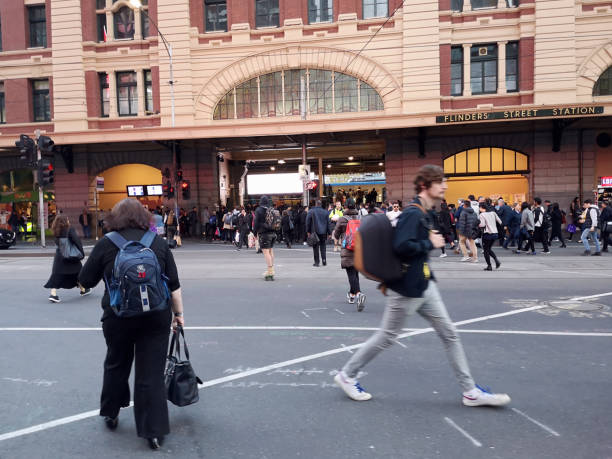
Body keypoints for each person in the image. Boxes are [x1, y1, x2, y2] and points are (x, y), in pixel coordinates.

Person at [333, 165, 510, 407]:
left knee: (449, 334)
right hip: (407, 289)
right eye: (441, 182)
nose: (445, 186)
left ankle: (470, 392)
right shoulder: (413, 214)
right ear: (426, 186)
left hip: (423, 285)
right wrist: (429, 242)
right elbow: (402, 247)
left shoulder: (423, 212)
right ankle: (347, 375)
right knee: (387, 336)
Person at [78, 199, 184, 450]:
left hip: (118, 317)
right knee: (151, 372)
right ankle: (153, 431)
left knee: (116, 362)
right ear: (144, 217)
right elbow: (174, 285)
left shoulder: (106, 243)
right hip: (156, 316)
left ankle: (111, 411)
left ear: (114, 218)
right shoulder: (156, 242)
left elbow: (85, 280)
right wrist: (178, 315)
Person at [44, 215, 90, 303]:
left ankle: (53, 294)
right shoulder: (69, 229)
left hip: (60, 256)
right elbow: (76, 241)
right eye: (67, 219)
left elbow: (58, 242)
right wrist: (81, 252)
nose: (68, 221)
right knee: (78, 272)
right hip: (71, 256)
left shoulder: (56, 230)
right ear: (65, 221)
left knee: (57, 275)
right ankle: (83, 289)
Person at [332, 198, 366, 310]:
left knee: (351, 273)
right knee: (355, 273)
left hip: (348, 249)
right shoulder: (360, 218)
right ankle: (351, 295)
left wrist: (336, 237)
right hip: (360, 249)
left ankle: (359, 294)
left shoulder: (342, 219)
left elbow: (336, 235)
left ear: (345, 207)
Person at [253, 196, 277, 280]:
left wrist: (255, 233)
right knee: (270, 251)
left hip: (264, 234)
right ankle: (271, 269)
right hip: (273, 233)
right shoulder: (271, 209)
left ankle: (270, 271)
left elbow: (256, 222)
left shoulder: (259, 210)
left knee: (266, 252)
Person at [306, 200, 332, 267]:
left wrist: (308, 231)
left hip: (314, 231)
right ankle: (324, 260)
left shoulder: (311, 211)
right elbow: (329, 223)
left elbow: (308, 222)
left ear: (316, 204)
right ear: (321, 204)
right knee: (323, 246)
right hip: (323, 231)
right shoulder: (326, 212)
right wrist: (329, 233)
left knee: (315, 247)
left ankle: (317, 262)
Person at [479, 202, 502, 271]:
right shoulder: (493, 213)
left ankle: (489, 266)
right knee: (488, 249)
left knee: (485, 250)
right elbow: (500, 222)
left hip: (487, 234)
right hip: (495, 233)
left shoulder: (482, 214)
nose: (479, 209)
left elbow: (482, 225)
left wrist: (478, 224)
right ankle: (496, 260)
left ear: (483, 208)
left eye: (480, 208)